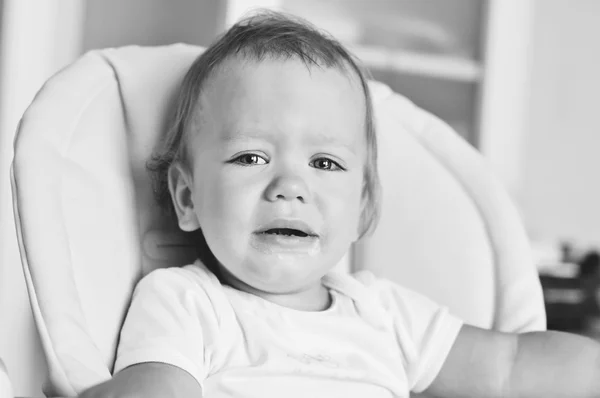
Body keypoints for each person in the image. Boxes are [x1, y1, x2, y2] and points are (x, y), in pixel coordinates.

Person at [80, 11, 600, 398]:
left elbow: (508, 367)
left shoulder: (384, 314)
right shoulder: (189, 302)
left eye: (324, 164)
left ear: (364, 209)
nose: (289, 185)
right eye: (250, 156)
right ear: (187, 197)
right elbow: (156, 387)